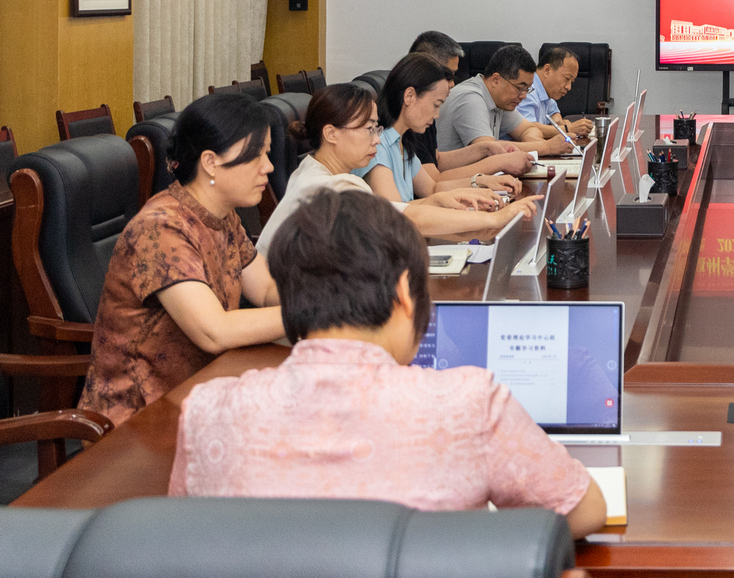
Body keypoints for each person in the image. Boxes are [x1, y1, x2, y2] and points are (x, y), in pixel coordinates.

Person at [170, 189, 607, 533]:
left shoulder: (207, 411)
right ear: (403, 293)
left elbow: (188, 542)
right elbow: (583, 510)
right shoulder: (470, 403)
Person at [81, 93, 286, 425]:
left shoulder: (222, 214)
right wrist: (312, 315)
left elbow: (264, 290)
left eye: (267, 152)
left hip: (203, 392)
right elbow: (214, 331)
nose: (269, 166)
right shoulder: (161, 228)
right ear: (210, 162)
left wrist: (324, 298)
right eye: (256, 155)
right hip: (139, 418)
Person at [256, 83, 538, 258]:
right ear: (331, 133)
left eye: (377, 128)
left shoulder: (319, 171)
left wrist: (441, 202)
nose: (377, 139)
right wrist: (493, 219)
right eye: (368, 129)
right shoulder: (329, 187)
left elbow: (394, 211)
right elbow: (406, 218)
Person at [358, 53, 524, 203]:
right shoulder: (377, 145)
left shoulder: (404, 141)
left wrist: (480, 182)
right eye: (436, 105)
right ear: (409, 96)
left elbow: (432, 188)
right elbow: (396, 211)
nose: (437, 115)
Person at [408, 31, 534, 183]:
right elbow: (433, 182)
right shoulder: (407, 118)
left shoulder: (425, 113)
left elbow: (437, 160)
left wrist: (486, 148)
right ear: (423, 71)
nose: (452, 84)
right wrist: (499, 163)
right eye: (448, 75)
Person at [436, 43, 572, 157]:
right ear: (496, 80)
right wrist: (546, 147)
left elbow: (528, 129)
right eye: (520, 88)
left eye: (527, 89)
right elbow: (489, 150)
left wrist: (533, 142)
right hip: (454, 178)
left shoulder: (500, 100)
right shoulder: (470, 98)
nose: (524, 95)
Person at [516, 44, 596, 140]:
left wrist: (560, 123)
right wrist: (568, 129)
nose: (569, 87)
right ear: (547, 70)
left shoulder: (547, 91)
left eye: (572, 81)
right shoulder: (527, 90)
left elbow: (554, 114)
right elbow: (527, 129)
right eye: (567, 78)